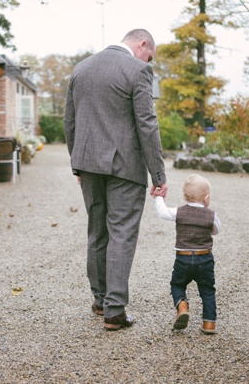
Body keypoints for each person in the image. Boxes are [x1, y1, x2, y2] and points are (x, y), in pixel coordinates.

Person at [64, 29, 168, 331]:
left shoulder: (80, 69)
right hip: (125, 167)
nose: (149, 61)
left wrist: (78, 165)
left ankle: (100, 300)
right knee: (121, 233)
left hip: (88, 165)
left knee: (97, 232)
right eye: (150, 56)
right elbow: (147, 124)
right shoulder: (138, 70)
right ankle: (114, 310)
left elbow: (69, 121)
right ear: (142, 44)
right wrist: (158, 175)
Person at [153, 174, 222, 334]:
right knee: (207, 290)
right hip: (204, 259)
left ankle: (182, 305)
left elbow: (162, 213)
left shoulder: (179, 212)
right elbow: (217, 230)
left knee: (177, 285)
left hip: (183, 258)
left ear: (185, 197)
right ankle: (209, 323)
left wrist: (158, 198)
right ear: (206, 198)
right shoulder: (211, 215)